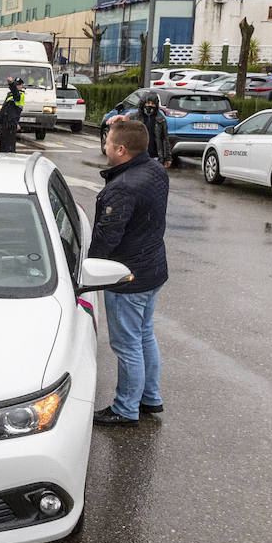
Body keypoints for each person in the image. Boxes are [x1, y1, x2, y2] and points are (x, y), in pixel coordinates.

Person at [91, 119, 170, 427]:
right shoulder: (155, 170)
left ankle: (125, 409)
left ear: (121, 150)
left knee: (127, 345)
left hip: (127, 277)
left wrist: (90, 267)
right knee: (144, 335)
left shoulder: (122, 187)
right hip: (152, 269)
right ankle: (149, 397)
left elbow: (106, 239)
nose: (105, 147)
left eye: (108, 143)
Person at [115, 94, 172, 168]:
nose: (150, 106)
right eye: (148, 103)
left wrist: (168, 158)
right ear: (143, 103)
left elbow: (165, 139)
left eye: (153, 104)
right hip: (138, 157)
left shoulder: (161, 119)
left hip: (155, 157)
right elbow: (127, 137)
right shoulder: (134, 118)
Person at [0, 77, 24, 152]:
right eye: (16, 85)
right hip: (5, 122)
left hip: (11, 123)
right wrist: (0, 120)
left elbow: (16, 94)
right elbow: (5, 108)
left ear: (21, 86)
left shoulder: (20, 94)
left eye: (18, 85)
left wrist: (11, 84)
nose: (17, 86)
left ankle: (10, 157)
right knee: (3, 145)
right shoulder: (10, 94)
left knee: (9, 146)